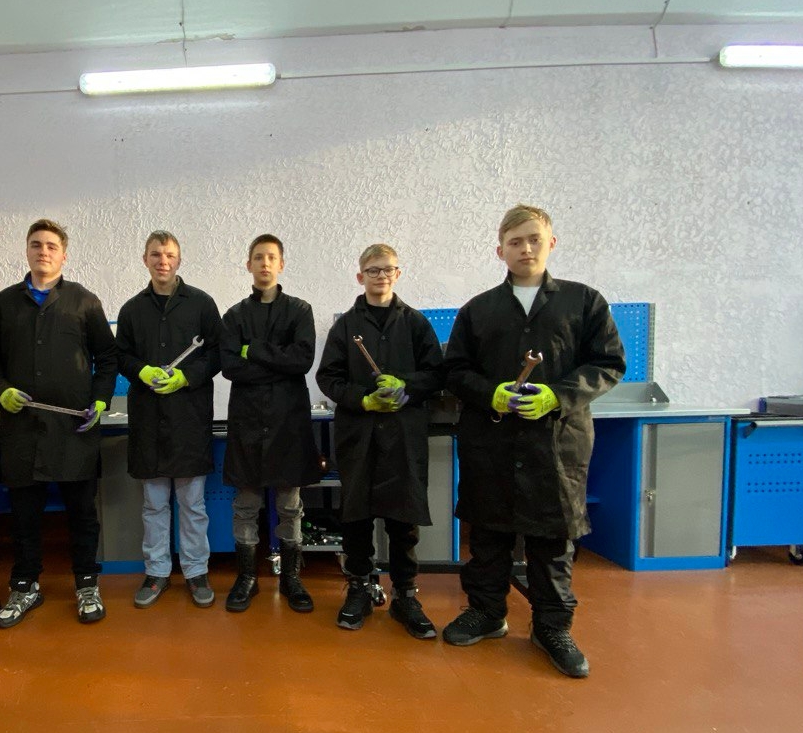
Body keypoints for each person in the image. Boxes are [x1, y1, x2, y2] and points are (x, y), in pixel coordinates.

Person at [440, 204, 625, 678]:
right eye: (515, 241)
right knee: (488, 535)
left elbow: (608, 364)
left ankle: (552, 627)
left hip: (556, 445)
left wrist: (556, 396)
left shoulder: (584, 302)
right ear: (499, 250)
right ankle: (487, 613)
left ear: (551, 243)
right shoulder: (478, 310)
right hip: (491, 443)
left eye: (534, 239)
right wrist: (491, 393)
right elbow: (455, 371)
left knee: (552, 541)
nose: (525, 249)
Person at [0, 219, 117, 627]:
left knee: (82, 514)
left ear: (64, 255)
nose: (43, 251)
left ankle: (86, 583)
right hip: (21, 431)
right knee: (24, 516)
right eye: (36, 244)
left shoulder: (85, 302)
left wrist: (100, 399)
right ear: (27, 251)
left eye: (52, 246)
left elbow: (107, 358)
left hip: (75, 430)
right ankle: (25, 586)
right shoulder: (2, 304)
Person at [314, 243, 444, 638]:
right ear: (360, 277)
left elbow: (438, 374)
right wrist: (363, 399)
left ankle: (405, 595)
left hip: (403, 436)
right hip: (360, 435)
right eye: (373, 270)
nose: (381, 275)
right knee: (356, 517)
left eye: (388, 269)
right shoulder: (345, 327)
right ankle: (358, 588)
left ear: (398, 274)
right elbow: (328, 377)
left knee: (404, 521)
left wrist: (407, 385)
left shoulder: (416, 323)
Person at [115, 230, 223, 609]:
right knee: (154, 505)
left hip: (189, 420)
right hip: (149, 422)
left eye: (170, 255)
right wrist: (140, 371)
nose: (163, 261)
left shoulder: (203, 305)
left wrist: (186, 377)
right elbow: (121, 356)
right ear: (145, 259)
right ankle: (157, 571)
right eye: (156, 254)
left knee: (193, 505)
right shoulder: (131, 310)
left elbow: (217, 355)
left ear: (179, 260)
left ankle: (196, 571)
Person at [219, 234, 322, 613]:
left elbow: (302, 361)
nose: (265, 263)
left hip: (288, 424)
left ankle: (292, 578)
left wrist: (255, 351)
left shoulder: (300, 310)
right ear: (248, 264)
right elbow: (230, 367)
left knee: (290, 505)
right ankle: (246, 577)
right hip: (247, 422)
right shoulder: (234, 316)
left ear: (281, 264)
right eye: (258, 257)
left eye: (271, 257)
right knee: (245, 504)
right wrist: (277, 364)